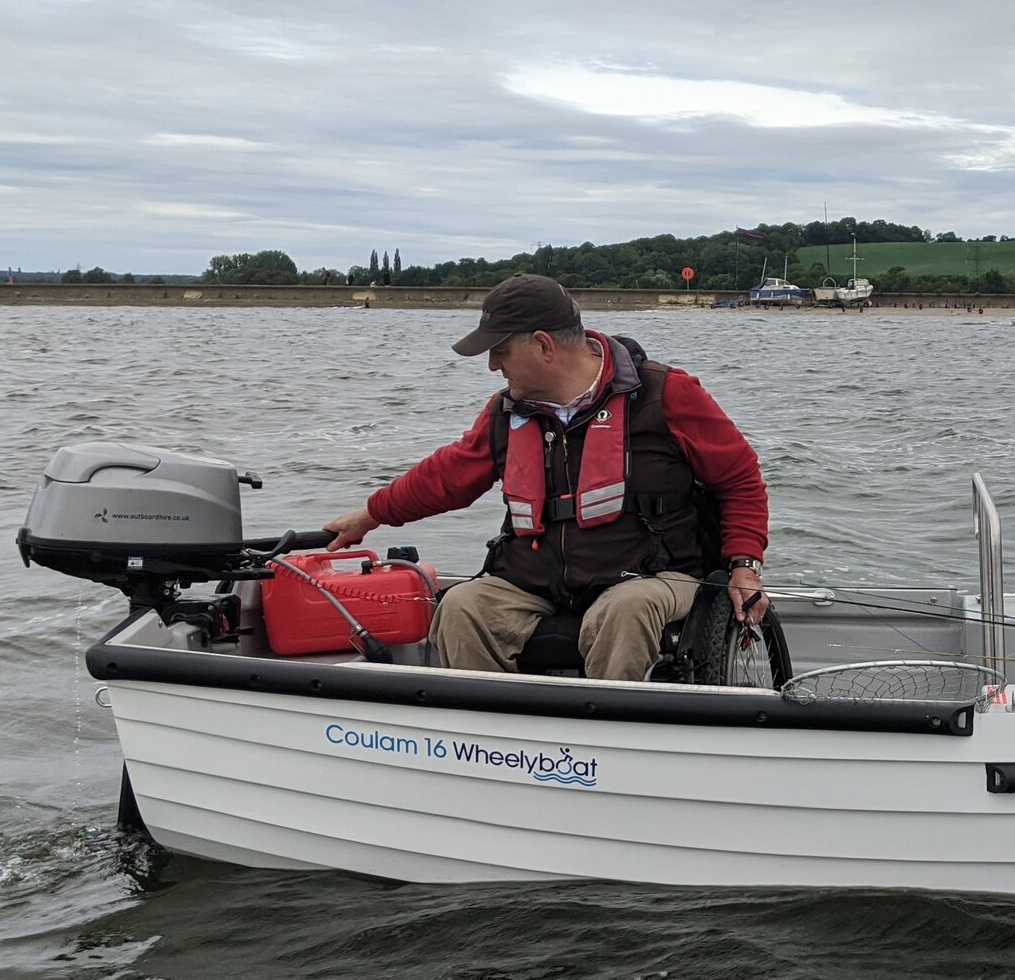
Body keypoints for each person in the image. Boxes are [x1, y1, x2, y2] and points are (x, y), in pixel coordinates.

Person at [322, 274, 769, 682]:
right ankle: (492, 743)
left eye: (499, 350)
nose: (493, 365)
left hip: (656, 578)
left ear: (543, 346)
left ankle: (612, 742)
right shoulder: (506, 412)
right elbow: (446, 476)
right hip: (535, 583)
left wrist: (744, 567)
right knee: (460, 607)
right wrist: (370, 514)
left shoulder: (667, 394)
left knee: (625, 610)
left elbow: (741, 480)